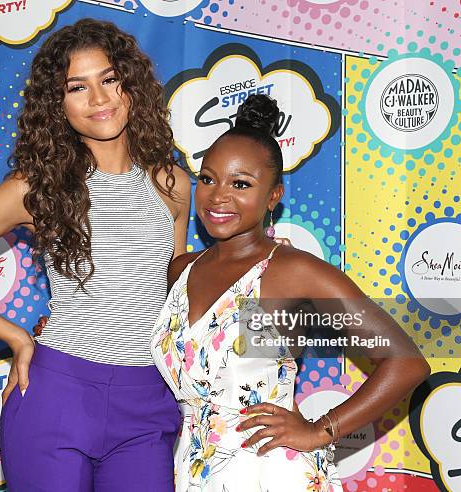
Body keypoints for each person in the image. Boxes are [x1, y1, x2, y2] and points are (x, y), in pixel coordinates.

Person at [0, 18, 191, 491]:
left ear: (130, 84)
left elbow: (174, 296)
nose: (99, 99)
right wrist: (16, 337)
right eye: (77, 87)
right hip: (57, 394)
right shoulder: (35, 188)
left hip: (148, 401)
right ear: (58, 106)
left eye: (110, 79)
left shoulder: (173, 185)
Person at [150, 94, 431, 491]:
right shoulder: (182, 270)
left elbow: (406, 363)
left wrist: (321, 430)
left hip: (268, 472)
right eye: (209, 179)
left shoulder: (291, 271)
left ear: (273, 197)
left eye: (241, 184)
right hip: (194, 469)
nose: (218, 196)